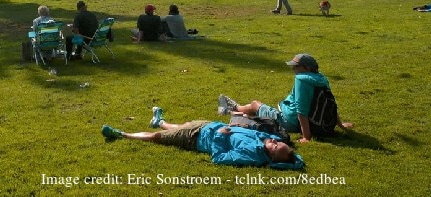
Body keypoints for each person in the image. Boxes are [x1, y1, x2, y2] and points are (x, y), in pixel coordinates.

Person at [101, 109, 303, 169]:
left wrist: (220, 136)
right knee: (182, 125)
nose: (274, 141)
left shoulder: (250, 156)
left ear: (272, 157)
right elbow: (264, 134)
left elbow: (219, 158)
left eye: (276, 146)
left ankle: (121, 134)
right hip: (208, 124)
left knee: (158, 137)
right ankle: (160, 120)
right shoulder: (263, 140)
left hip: (197, 138)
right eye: (278, 141)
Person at [218, 54, 348, 143]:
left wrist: (306, 137)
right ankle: (233, 112)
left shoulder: (302, 80)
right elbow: (329, 103)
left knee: (255, 105)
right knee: (259, 114)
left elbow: (301, 110)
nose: (293, 69)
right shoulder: (321, 78)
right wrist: (340, 125)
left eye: (296, 66)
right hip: (317, 123)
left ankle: (232, 107)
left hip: (290, 121)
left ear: (306, 68)